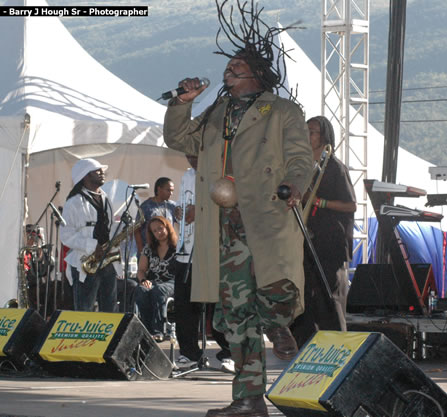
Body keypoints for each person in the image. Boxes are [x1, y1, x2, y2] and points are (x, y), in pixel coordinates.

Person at [163, 2, 313, 415]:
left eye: (235, 69)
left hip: (264, 215)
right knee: (235, 316)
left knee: (277, 288)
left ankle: (277, 321)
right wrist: (182, 102)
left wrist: (293, 185)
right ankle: (247, 400)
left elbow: (302, 158)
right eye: (227, 69)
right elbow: (181, 141)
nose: (226, 74)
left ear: (257, 77)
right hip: (222, 225)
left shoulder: (282, 111)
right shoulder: (215, 113)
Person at [290, 116, 356, 348]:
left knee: (330, 297)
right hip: (306, 240)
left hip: (330, 241)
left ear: (324, 136)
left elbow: (351, 205)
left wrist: (318, 202)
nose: (308, 135)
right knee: (304, 297)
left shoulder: (335, 167)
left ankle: (337, 347)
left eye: (313, 131)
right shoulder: (302, 167)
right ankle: (306, 346)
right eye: (305, 130)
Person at [174, 154, 234, 372]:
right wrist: (178, 212)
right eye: (188, 155)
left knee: (218, 305)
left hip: (213, 249)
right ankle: (189, 353)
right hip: (187, 249)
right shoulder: (187, 176)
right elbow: (185, 204)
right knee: (185, 305)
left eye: (195, 154)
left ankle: (229, 352)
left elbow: (228, 206)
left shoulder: (221, 175)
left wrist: (198, 211)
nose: (191, 159)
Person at [59, 158, 118, 312]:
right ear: (85, 176)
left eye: (101, 170)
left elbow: (108, 227)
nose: (102, 173)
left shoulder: (106, 198)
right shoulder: (74, 202)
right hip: (85, 261)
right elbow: (65, 234)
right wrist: (92, 246)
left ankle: (109, 336)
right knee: (84, 309)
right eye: (97, 171)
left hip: (106, 260)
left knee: (110, 308)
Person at [135, 216, 178, 342]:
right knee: (142, 290)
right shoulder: (148, 249)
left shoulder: (178, 247)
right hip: (153, 281)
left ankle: (158, 330)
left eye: (160, 228)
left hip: (173, 282)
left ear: (167, 227)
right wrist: (144, 281)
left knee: (159, 290)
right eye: (155, 231)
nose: (158, 232)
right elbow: (141, 270)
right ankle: (145, 330)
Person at [134, 177, 177, 254]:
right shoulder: (146, 206)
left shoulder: (173, 206)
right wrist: (141, 251)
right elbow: (137, 230)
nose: (171, 193)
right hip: (150, 251)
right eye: (168, 190)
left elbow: (183, 220)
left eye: (172, 191)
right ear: (159, 189)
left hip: (168, 251)